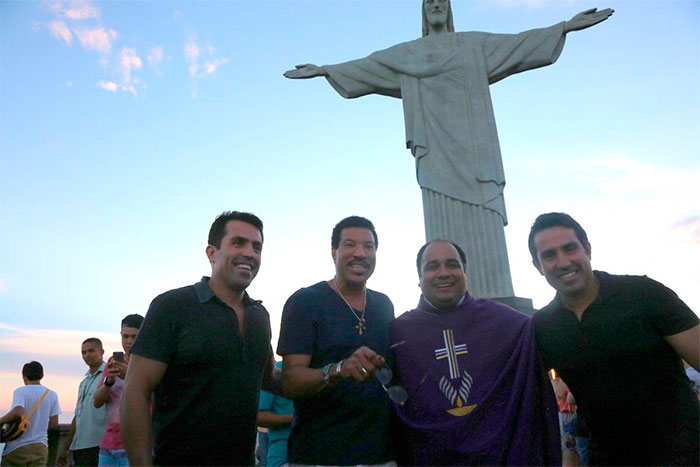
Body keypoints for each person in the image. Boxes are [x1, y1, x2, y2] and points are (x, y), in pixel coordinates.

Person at [284, 0, 613, 299]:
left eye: (443, 0)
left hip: (477, 153)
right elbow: (369, 67)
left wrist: (564, 27)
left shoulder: (473, 45)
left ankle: (492, 293)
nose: (437, 5)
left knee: (485, 214)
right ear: (424, 12)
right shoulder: (407, 54)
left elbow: (518, 45)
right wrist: (326, 70)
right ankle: (450, 297)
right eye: (431, 2)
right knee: (441, 217)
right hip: (436, 156)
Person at [529, 212, 700, 466]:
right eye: (549, 255)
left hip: (684, 455)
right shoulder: (543, 326)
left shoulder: (644, 294)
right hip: (606, 459)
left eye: (570, 248)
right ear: (537, 266)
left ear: (587, 249)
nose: (563, 262)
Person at [121, 211, 279, 466]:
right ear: (211, 253)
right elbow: (135, 391)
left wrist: (332, 371)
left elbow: (270, 378)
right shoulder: (173, 306)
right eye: (238, 242)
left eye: (257, 246)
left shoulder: (260, 316)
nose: (250, 253)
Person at [390, 240, 559, 465]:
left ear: (465, 272)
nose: (443, 273)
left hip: (499, 457)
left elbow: (553, 333)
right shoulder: (398, 333)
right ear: (419, 279)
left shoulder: (504, 322)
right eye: (432, 267)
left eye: (452, 264)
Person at [277, 216, 396, 465]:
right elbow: (290, 382)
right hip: (319, 454)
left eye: (369, 246)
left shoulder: (384, 305)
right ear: (334, 252)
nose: (360, 253)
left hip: (381, 455)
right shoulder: (305, 302)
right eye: (350, 245)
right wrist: (339, 370)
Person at [93, 314, 144, 466]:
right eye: (126, 336)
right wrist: (109, 382)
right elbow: (96, 402)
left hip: (136, 442)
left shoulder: (150, 363)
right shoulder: (113, 363)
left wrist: (128, 375)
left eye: (134, 336)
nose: (129, 341)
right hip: (109, 443)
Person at [58, 338, 107, 467]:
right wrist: (66, 447)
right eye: (83, 352)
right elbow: (78, 414)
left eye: (91, 351)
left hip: (100, 444)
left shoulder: (109, 376)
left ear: (102, 352)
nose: (87, 355)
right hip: (80, 445)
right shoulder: (83, 383)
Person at [0, 362, 61, 466]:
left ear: (24, 376)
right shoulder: (52, 394)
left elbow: (18, 411)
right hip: (40, 447)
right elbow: (53, 424)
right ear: (42, 375)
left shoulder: (20, 391)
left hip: (17, 447)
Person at [256, 361, 293, 467]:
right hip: (283, 457)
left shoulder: (332, 372)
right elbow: (259, 416)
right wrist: (296, 418)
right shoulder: (277, 369)